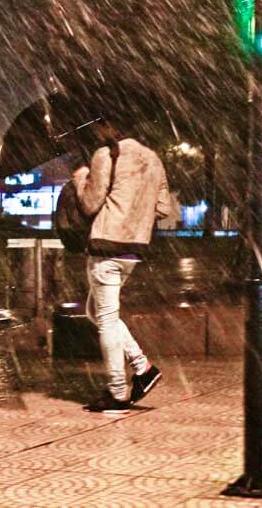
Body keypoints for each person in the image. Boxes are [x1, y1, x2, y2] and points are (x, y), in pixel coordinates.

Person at [72, 118, 171, 414]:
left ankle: (117, 391)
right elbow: (164, 208)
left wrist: (81, 178)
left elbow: (90, 203)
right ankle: (143, 368)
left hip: (106, 244)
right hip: (134, 249)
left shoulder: (106, 155)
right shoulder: (153, 159)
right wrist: (135, 212)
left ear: (106, 127)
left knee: (105, 318)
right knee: (97, 312)